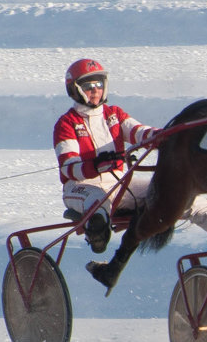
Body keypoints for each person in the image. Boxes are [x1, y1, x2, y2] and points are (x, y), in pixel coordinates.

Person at [54, 59, 157, 253]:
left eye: (98, 85)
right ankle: (97, 234)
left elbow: (138, 131)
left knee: (165, 189)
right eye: (88, 86)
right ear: (75, 90)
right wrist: (95, 165)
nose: (95, 90)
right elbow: (69, 167)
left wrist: (161, 135)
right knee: (98, 200)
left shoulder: (114, 114)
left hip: (117, 184)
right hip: (80, 187)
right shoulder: (66, 123)